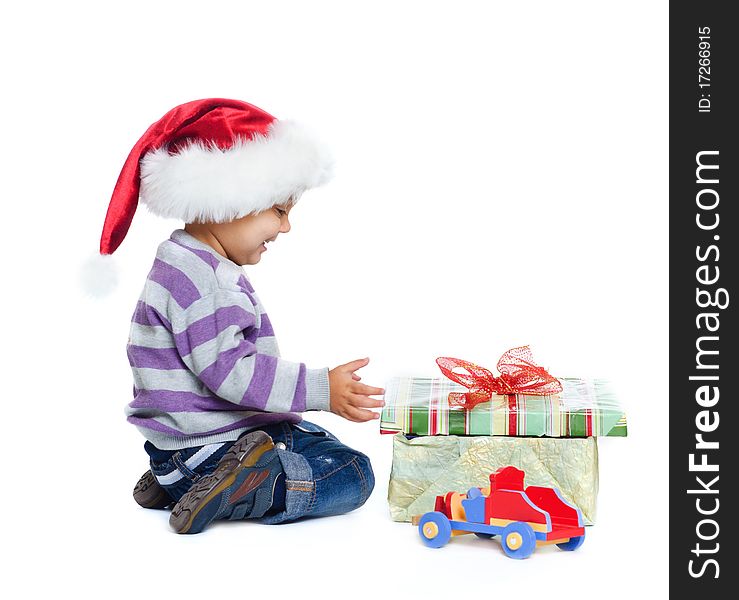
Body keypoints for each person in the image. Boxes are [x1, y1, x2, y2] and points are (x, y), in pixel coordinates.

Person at [93, 98, 383, 534]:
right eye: (279, 211)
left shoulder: (178, 262)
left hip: (176, 446)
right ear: (230, 199)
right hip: (211, 445)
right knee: (351, 471)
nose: (285, 228)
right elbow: (231, 372)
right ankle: (238, 484)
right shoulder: (208, 279)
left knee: (308, 437)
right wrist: (320, 387)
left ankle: (176, 479)